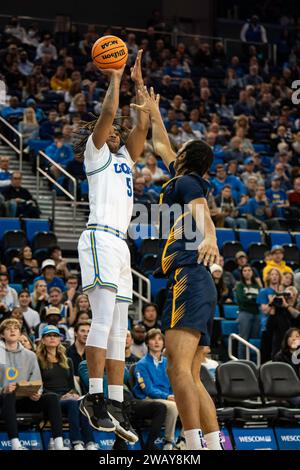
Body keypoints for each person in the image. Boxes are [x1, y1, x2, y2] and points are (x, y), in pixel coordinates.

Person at [131, 86, 223, 450]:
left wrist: (211, 237)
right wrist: (154, 112)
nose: (175, 151)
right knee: (193, 375)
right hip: (197, 283)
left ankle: (191, 443)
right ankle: (212, 444)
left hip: (189, 277)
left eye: (181, 152)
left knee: (176, 368)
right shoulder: (183, 177)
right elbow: (161, 145)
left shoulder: (186, 183)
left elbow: (202, 212)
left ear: (186, 159)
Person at [77, 50, 148, 442]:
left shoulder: (125, 158)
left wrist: (138, 85)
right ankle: (93, 397)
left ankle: (116, 404)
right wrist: (116, 78)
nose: (116, 130)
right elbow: (108, 116)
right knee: (103, 320)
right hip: (100, 235)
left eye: (118, 130)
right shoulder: (97, 153)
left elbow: (139, 128)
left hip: (120, 245)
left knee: (121, 328)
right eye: (110, 129)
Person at [0, 319, 68, 450]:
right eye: (8, 329)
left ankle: (58, 444)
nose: (12, 330)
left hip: (25, 398)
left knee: (52, 398)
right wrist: (3, 389)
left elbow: (37, 380)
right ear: (2, 335)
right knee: (9, 395)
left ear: (20, 334)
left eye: (15, 328)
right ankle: (16, 444)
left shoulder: (30, 355)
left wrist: (37, 393)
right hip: (4, 399)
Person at [36, 325, 98, 450]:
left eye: (55, 336)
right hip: (49, 398)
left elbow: (70, 385)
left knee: (82, 401)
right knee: (72, 403)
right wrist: (62, 397)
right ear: (43, 340)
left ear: (60, 339)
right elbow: (39, 385)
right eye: (49, 336)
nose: (52, 338)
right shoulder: (37, 360)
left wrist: (73, 393)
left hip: (67, 397)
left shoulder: (67, 360)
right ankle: (77, 442)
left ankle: (90, 442)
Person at [133, 329, 179, 450]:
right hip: (147, 399)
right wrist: (167, 396)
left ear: (164, 343)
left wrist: (174, 395)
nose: (156, 342)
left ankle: (183, 440)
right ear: (147, 343)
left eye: (160, 339)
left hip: (167, 397)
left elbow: (173, 385)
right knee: (173, 407)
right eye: (153, 339)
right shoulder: (141, 364)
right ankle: (169, 442)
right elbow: (148, 390)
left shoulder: (168, 363)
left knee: (190, 405)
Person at [265, 286, 300, 359]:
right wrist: (273, 307)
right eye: (288, 294)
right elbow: (269, 328)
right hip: (279, 347)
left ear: (296, 296)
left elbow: (298, 317)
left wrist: (287, 306)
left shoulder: (297, 307)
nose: (290, 297)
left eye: (293, 294)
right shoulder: (279, 310)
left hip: (296, 347)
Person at [235, 265, 261, 358]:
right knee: (243, 339)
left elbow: (260, 299)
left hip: (257, 314)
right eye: (245, 270)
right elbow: (242, 300)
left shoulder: (257, 285)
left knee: (254, 340)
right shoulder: (240, 285)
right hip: (244, 314)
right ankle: (242, 361)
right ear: (242, 273)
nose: (247, 272)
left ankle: (253, 362)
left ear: (252, 272)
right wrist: (255, 299)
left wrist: (250, 298)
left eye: (249, 270)